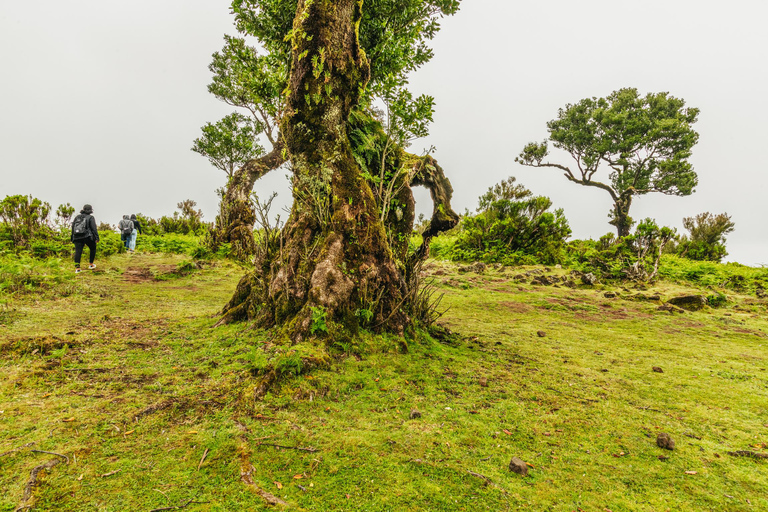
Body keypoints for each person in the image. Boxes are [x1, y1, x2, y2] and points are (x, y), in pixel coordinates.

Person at [71, 204, 99, 273]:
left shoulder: (77, 217)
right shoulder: (90, 217)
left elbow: (73, 227)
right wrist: (97, 237)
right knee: (93, 248)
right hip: (87, 236)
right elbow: (94, 228)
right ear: (90, 210)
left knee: (78, 252)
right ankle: (91, 264)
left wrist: (72, 236)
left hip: (77, 236)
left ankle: (77, 269)